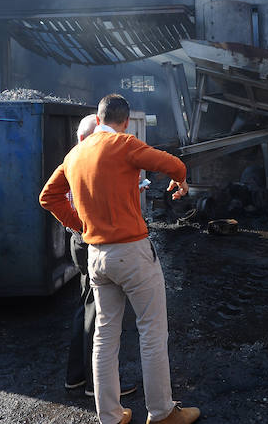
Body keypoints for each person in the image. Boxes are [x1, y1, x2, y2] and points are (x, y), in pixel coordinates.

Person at [40, 94, 200, 424]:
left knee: (104, 337)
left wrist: (80, 224)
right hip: (132, 253)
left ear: (98, 120)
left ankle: (111, 416)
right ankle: (161, 413)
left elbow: (48, 197)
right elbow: (174, 164)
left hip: (96, 256)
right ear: (125, 121)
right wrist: (180, 180)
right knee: (153, 333)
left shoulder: (74, 155)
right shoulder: (126, 144)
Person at [64, 113, 138, 399]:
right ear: (86, 137)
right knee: (99, 313)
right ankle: (97, 385)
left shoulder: (73, 159)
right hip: (89, 240)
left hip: (78, 240)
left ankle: (75, 377)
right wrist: (84, 226)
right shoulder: (82, 162)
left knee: (85, 307)